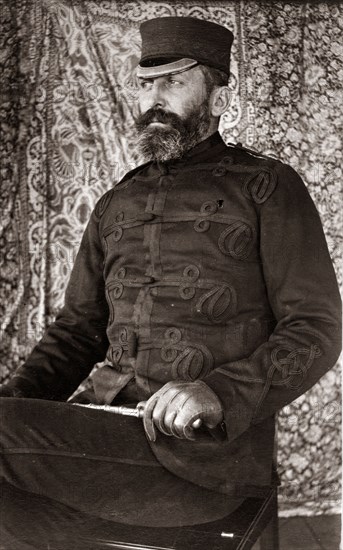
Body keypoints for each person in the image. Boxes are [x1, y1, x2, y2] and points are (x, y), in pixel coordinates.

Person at [0, 15, 341, 547]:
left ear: (220, 100)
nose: (152, 99)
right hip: (104, 433)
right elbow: (74, 333)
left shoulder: (269, 187)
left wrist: (218, 392)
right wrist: (15, 409)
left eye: (173, 82)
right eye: (143, 84)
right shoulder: (118, 200)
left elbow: (316, 328)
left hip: (201, 459)